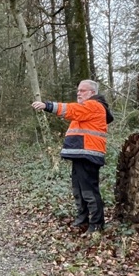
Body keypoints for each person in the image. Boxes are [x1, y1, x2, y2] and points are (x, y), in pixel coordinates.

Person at [32, 80, 113, 232]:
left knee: (89, 191)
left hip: (88, 155)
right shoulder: (87, 108)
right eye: (78, 90)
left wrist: (48, 106)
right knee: (79, 190)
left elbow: (71, 110)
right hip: (81, 155)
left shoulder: (94, 105)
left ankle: (96, 224)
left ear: (92, 93)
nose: (78, 93)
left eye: (83, 90)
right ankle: (83, 220)